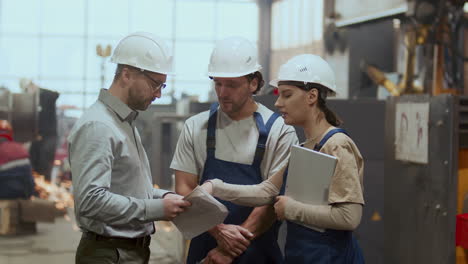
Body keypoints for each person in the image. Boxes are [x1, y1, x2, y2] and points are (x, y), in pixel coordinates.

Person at [202, 54, 365, 263]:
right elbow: (267, 191)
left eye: (287, 95)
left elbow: (350, 217)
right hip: (304, 255)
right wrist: (215, 187)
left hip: (331, 257)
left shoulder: (336, 145)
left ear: (312, 96)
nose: (278, 103)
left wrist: (291, 209)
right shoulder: (303, 146)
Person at [171, 36, 298, 264]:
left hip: (255, 249)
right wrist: (218, 231)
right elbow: (184, 187)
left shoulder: (280, 132)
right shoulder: (195, 127)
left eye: (231, 85)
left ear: (253, 83)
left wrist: (228, 249)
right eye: (217, 83)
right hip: (206, 248)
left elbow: (272, 198)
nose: (222, 92)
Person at [68, 32, 191, 264]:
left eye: (162, 85)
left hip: (128, 251)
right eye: (155, 84)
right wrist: (155, 209)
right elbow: (91, 200)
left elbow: (128, 187)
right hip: (109, 254)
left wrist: (165, 197)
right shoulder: (98, 126)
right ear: (127, 74)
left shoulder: (124, 122)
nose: (159, 93)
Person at [0, 120, 36, 199]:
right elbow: (29, 179)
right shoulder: (20, 148)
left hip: (5, 192)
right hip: (25, 192)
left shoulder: (1, 149)